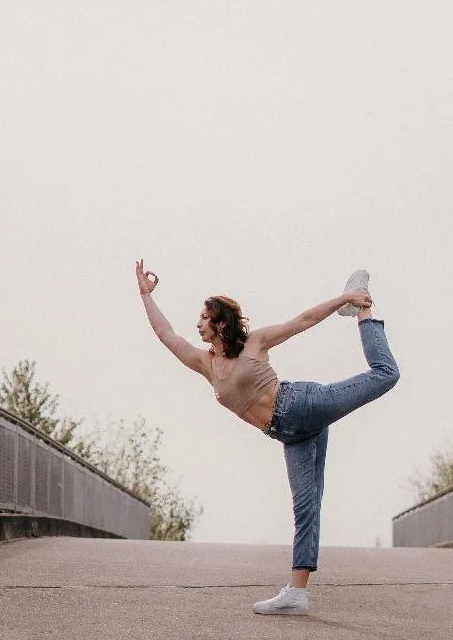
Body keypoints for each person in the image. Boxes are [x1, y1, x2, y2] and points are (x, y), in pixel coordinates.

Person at [134, 260, 400, 615]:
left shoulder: (254, 343)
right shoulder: (206, 364)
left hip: (303, 404)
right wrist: (145, 295)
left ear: (221, 323)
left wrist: (344, 299)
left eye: (203, 318)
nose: (197, 323)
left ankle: (362, 309)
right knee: (306, 507)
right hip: (289, 435)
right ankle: (297, 594)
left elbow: (302, 321)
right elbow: (166, 335)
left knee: (385, 374)